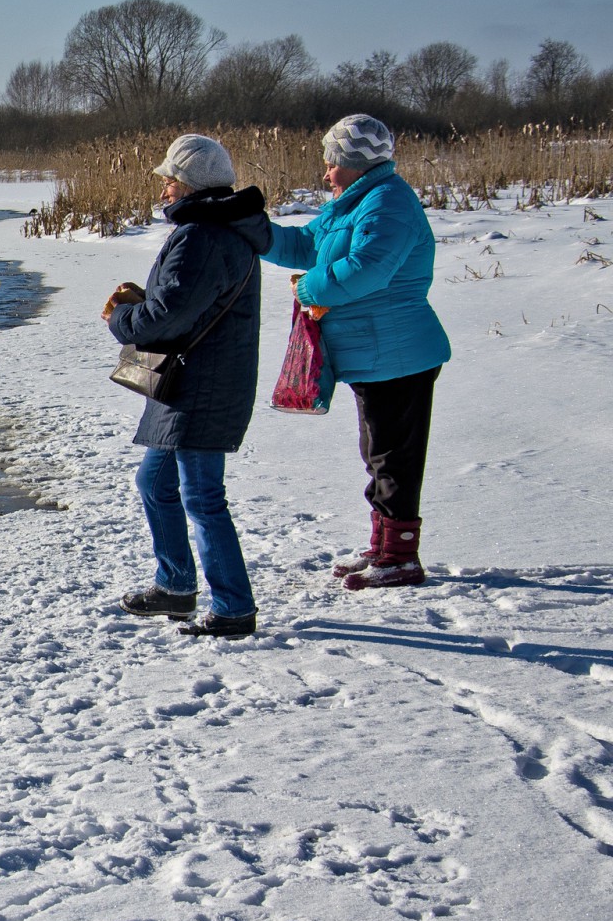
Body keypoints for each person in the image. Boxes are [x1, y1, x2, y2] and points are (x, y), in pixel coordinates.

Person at [261, 115, 450, 589]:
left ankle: (401, 557)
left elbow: (368, 269)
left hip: (399, 352)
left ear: (354, 163)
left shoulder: (388, 203)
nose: (326, 173)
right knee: (377, 452)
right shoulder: (356, 202)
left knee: (394, 457)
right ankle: (384, 547)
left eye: (332, 163)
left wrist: (308, 288)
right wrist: (252, 231)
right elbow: (306, 243)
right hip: (375, 352)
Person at [106, 134, 271, 637]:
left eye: (170, 181)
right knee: (154, 482)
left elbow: (167, 316)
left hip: (202, 384)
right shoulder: (223, 229)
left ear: (191, 186)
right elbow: (186, 301)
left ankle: (234, 607)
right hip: (196, 381)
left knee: (202, 496)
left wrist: (122, 317)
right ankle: (176, 585)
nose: (163, 191)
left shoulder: (202, 235)